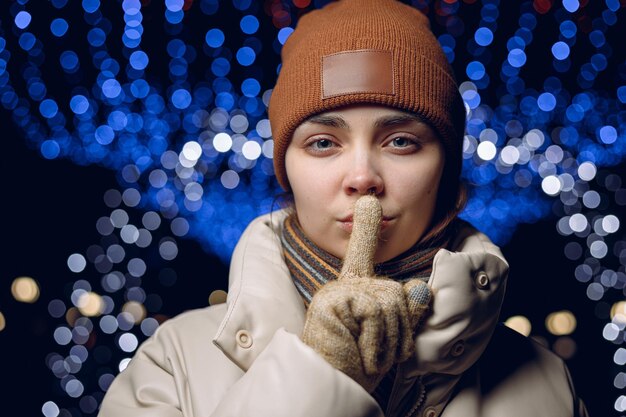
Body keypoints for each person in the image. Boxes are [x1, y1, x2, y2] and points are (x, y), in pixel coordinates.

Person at [98, 0, 589, 416]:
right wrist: (319, 372)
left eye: (400, 141)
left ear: (445, 168)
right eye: (322, 143)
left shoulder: (548, 385)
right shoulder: (173, 361)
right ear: (285, 169)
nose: (362, 177)